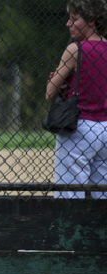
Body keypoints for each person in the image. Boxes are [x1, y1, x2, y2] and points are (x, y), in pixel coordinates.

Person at [46, 0, 107, 199]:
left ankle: (70, 230)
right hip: (105, 129)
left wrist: (57, 81)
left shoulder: (76, 49)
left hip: (78, 128)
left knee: (69, 195)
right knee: (102, 194)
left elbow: (49, 93)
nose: (68, 24)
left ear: (91, 21)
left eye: (74, 19)